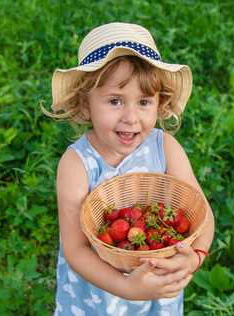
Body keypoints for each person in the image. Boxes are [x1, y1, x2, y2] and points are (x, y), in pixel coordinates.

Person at [41, 22, 215, 315]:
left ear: (159, 103)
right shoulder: (76, 163)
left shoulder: (166, 148)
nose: (131, 117)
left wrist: (194, 257)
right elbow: (75, 250)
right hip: (97, 295)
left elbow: (202, 213)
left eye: (144, 101)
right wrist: (128, 289)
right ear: (85, 106)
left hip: (156, 283)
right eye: (114, 101)